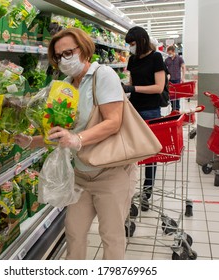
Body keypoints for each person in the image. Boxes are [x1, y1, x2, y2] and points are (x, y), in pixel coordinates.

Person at [16, 28, 136, 260]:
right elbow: (63, 134)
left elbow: (113, 122)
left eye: (68, 52)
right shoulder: (65, 85)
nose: (63, 59)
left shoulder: (103, 75)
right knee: (74, 233)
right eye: (59, 56)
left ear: (84, 49)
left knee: (111, 237)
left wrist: (77, 140)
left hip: (110, 172)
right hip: (80, 174)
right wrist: (31, 141)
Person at [121, 26, 166, 212]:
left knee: (149, 154)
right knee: (131, 151)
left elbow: (159, 87)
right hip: (134, 108)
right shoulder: (132, 59)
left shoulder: (156, 58)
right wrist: (125, 88)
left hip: (151, 110)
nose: (130, 47)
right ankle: (129, 190)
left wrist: (134, 89)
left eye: (132, 44)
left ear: (140, 41)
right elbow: (132, 82)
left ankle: (147, 192)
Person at [165, 45, 186, 111]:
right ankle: (173, 108)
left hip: (177, 79)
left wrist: (183, 78)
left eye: (170, 53)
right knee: (171, 94)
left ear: (174, 51)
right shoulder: (167, 60)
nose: (169, 54)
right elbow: (164, 69)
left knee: (177, 95)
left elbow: (183, 67)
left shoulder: (179, 58)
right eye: (168, 53)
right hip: (170, 80)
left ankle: (177, 108)